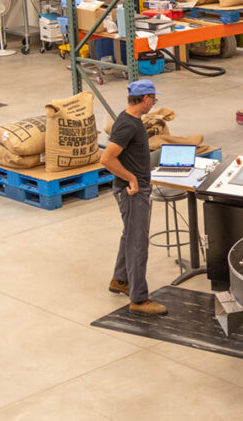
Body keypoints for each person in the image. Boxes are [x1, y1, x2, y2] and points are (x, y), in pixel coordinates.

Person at [100, 79, 168, 316]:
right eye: (153, 99)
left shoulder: (130, 119)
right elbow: (107, 159)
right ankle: (139, 300)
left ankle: (120, 280)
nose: (153, 103)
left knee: (130, 235)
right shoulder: (127, 125)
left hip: (136, 188)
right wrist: (131, 179)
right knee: (138, 244)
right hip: (132, 192)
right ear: (146, 98)